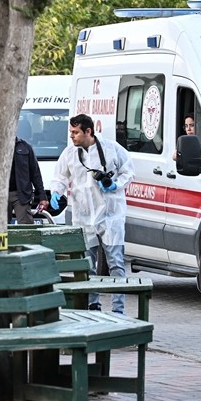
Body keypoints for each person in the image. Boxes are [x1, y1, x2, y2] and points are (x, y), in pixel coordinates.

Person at [48, 114, 134, 314]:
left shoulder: (112, 149)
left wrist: (115, 185)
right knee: (88, 266)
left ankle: (118, 309)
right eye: (71, 132)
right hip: (84, 216)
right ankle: (92, 304)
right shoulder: (70, 153)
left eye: (76, 132)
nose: (72, 136)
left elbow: (128, 171)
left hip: (110, 215)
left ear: (89, 131)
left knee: (116, 264)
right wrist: (56, 192)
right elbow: (59, 177)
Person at [8, 132, 48, 225]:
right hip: (0, 195)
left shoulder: (25, 147)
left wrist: (42, 197)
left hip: (21, 195)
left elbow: (35, 174)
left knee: (26, 229)